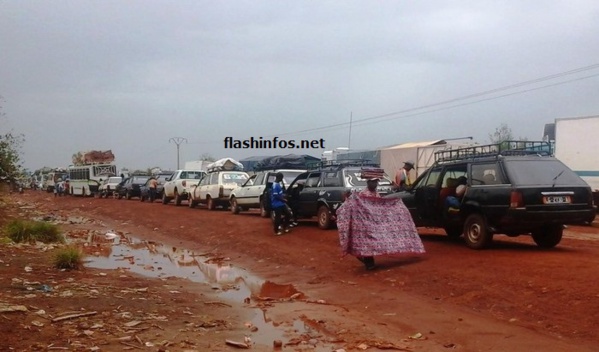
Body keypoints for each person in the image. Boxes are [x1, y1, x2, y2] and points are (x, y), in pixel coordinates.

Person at [337, 168, 425, 270]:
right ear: (368, 182)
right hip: (365, 223)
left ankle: (367, 261)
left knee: (371, 242)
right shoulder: (362, 195)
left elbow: (378, 206)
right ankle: (368, 262)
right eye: (373, 182)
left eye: (376, 182)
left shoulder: (376, 194)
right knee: (367, 242)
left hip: (374, 222)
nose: (375, 184)